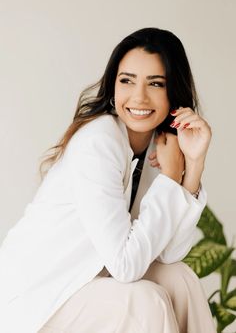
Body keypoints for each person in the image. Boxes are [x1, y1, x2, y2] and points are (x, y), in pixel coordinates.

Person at [0, 27, 216, 333]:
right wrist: (170, 178)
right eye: (127, 80)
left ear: (173, 93)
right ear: (113, 86)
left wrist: (192, 166)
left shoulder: (161, 144)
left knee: (179, 278)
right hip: (38, 299)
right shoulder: (99, 141)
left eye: (155, 84)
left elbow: (169, 253)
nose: (139, 96)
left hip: (87, 281)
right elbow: (125, 266)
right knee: (144, 301)